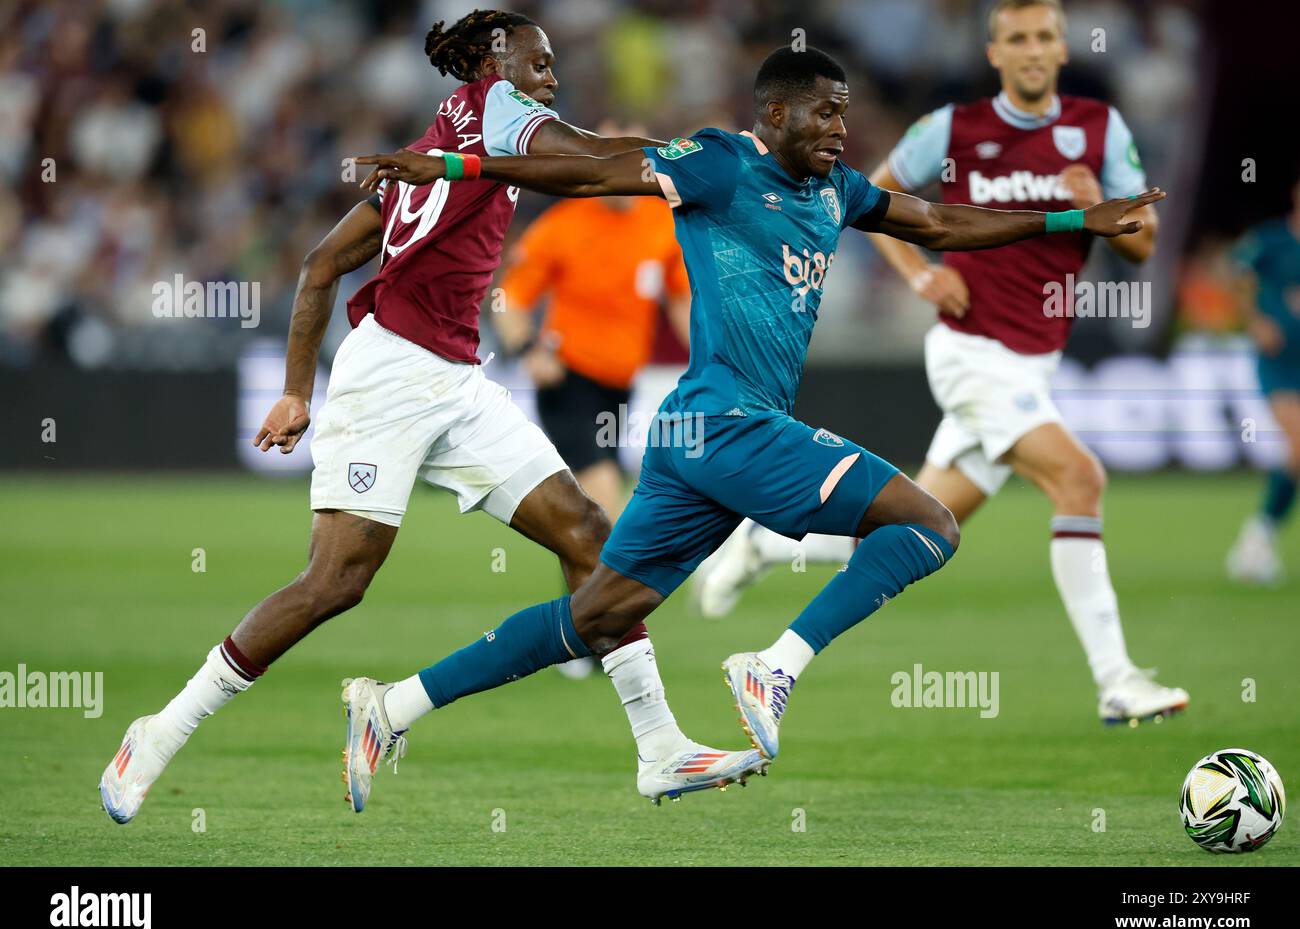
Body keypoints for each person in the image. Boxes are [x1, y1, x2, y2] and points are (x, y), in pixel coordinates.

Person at [347, 43, 1162, 798]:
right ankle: (775, 666)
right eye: (827, 112)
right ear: (775, 115)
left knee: (597, 615)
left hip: (689, 437)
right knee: (930, 524)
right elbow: (598, 174)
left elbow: (940, 223)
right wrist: (458, 164)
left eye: (847, 113)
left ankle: (393, 706)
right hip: (728, 421)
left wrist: (1070, 222)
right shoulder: (721, 163)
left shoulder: (836, 190)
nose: (843, 129)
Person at [99, 9, 761, 826]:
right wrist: (699, 161)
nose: (552, 74)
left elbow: (323, 264)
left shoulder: (439, 141)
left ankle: (658, 746)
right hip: (390, 376)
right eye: (540, 60)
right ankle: (158, 733)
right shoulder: (496, 110)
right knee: (336, 582)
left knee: (589, 534)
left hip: (455, 376)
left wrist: (298, 387)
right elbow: (590, 167)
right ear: (494, 60)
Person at [692, 0, 1189, 727]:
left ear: (1060, 46)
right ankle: (1116, 680)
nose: (1031, 50)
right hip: (972, 350)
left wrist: (1099, 205)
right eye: (1015, 38)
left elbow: (1138, 240)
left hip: (1035, 361)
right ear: (994, 52)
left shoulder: (1098, 129)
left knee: (917, 525)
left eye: (1043, 37)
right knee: (1080, 477)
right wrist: (919, 274)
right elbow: (870, 200)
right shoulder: (953, 130)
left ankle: (764, 543)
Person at [494, 126, 690, 678]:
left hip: (618, 386)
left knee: (594, 516)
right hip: (567, 380)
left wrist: (715, 359)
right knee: (607, 506)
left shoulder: (660, 225)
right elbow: (510, 296)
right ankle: (598, 632)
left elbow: (681, 298)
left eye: (638, 159)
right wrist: (526, 346)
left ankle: (579, 628)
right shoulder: (563, 226)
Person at [1226, 172, 1300, 585]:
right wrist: (1255, 320)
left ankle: (1258, 540)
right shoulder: (1271, 241)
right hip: (1281, 364)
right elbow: (1235, 273)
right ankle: (1258, 537)